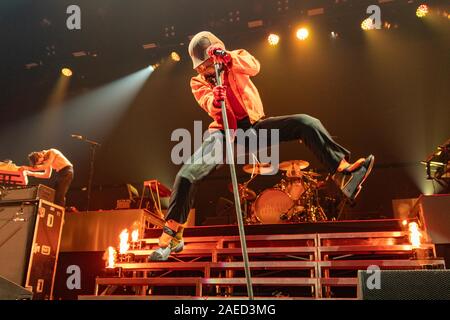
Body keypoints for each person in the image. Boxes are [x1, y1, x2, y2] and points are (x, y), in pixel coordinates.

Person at [149, 31, 374, 261]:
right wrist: (216, 100)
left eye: (208, 63)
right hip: (225, 133)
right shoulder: (197, 81)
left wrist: (228, 60)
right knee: (187, 175)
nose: (205, 69)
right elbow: (209, 104)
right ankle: (173, 233)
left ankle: (342, 171)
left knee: (306, 123)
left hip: (254, 128)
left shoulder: (235, 58)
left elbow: (254, 66)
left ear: (216, 53)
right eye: (202, 66)